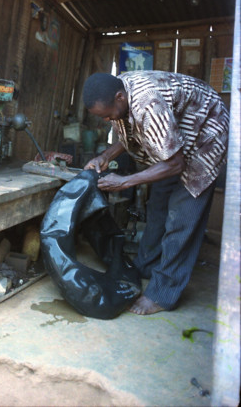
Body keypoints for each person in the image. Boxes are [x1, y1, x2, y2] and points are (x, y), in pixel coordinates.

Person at [82, 70, 229, 315]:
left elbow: (175, 164)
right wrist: (104, 155)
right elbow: (134, 132)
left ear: (120, 97)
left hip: (207, 134)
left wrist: (126, 182)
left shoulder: (149, 104)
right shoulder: (122, 92)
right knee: (158, 205)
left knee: (182, 218)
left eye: (108, 115)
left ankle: (163, 294)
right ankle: (146, 267)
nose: (107, 120)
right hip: (177, 138)